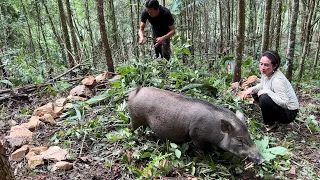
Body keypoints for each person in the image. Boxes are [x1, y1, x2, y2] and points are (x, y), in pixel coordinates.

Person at [242, 51, 299, 132]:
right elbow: (262, 85)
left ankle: (271, 125)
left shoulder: (277, 80)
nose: (262, 67)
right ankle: (268, 113)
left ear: (274, 66)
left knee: (264, 98)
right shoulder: (266, 73)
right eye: (261, 64)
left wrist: (267, 92)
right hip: (281, 106)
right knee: (255, 93)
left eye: (266, 65)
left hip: (289, 113)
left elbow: (285, 103)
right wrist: (250, 90)